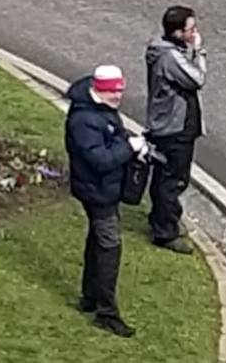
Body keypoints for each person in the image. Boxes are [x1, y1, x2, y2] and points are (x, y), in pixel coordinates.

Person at [65, 64, 147, 339]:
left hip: (100, 189)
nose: (119, 97)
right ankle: (106, 313)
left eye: (121, 90)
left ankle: (90, 297)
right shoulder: (83, 121)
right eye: (114, 92)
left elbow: (110, 138)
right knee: (109, 245)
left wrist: (127, 142)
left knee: (98, 240)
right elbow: (99, 161)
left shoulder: (98, 109)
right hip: (97, 191)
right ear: (99, 90)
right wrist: (129, 147)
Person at [146, 5, 207, 254]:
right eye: (190, 30)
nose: (194, 33)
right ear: (177, 32)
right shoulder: (170, 57)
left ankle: (165, 217)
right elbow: (197, 79)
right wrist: (199, 51)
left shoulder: (164, 50)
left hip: (172, 123)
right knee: (173, 179)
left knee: (166, 176)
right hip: (174, 127)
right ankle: (165, 231)